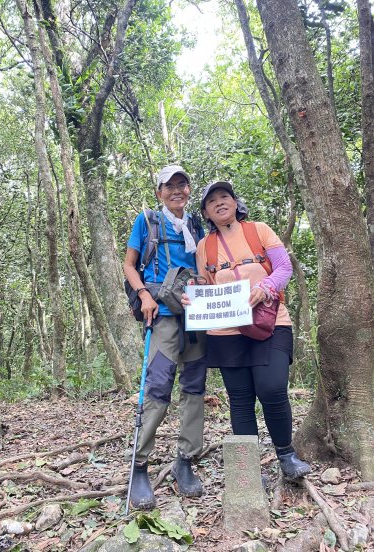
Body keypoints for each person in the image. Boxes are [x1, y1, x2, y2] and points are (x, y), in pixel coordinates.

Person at [191, 180, 311, 479]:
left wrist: (267, 286)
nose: (219, 202)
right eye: (212, 201)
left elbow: (284, 268)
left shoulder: (259, 230)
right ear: (205, 211)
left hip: (269, 322)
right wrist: (194, 290)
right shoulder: (205, 246)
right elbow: (206, 283)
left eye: (225, 196)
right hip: (227, 331)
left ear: (234, 202)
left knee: (272, 387)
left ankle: (286, 454)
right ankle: (248, 466)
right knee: (241, 397)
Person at [123, 165, 207, 509]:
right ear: (159, 192)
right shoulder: (147, 220)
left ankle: (185, 460)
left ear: (188, 190)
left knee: (195, 388)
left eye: (182, 184)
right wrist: (143, 294)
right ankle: (139, 466)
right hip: (162, 315)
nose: (177, 190)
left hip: (196, 316)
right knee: (157, 387)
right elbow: (129, 264)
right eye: (169, 186)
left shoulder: (196, 225)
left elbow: (205, 265)